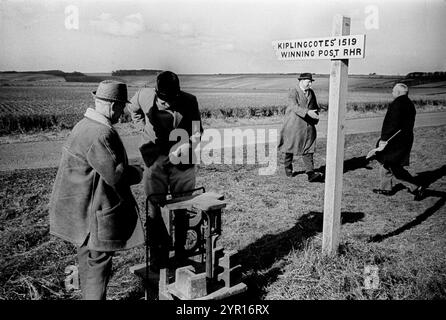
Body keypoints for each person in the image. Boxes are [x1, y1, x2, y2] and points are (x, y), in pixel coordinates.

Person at [49, 80, 145, 300]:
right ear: (112, 105)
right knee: (98, 266)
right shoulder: (101, 133)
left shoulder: (84, 125)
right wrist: (139, 172)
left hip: (80, 212)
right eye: (122, 107)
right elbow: (116, 175)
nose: (123, 112)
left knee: (87, 259)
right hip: (94, 215)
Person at [128, 71, 203, 269]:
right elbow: (132, 108)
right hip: (154, 159)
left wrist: (189, 145)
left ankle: (181, 255)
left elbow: (197, 132)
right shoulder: (143, 96)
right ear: (155, 93)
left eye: (172, 99)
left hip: (182, 160)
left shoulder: (189, 101)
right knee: (155, 209)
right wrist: (141, 128)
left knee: (183, 207)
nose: (168, 103)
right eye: (163, 100)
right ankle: (157, 257)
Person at [372, 83, 425, 201]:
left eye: (393, 91)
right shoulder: (410, 104)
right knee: (385, 161)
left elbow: (391, 124)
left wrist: (383, 139)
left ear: (398, 92)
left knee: (393, 165)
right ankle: (386, 188)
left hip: (395, 140)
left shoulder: (396, 104)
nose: (392, 93)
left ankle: (417, 187)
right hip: (405, 139)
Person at [278, 72, 323, 182]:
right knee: (289, 148)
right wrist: (307, 112)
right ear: (301, 81)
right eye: (308, 82)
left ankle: (310, 174)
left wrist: (316, 113)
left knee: (309, 148)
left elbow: (315, 106)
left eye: (311, 82)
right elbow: (294, 106)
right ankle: (288, 170)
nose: (310, 85)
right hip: (294, 125)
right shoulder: (293, 91)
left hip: (308, 126)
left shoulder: (311, 92)